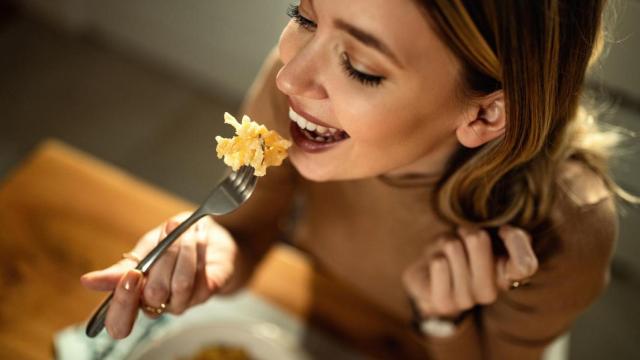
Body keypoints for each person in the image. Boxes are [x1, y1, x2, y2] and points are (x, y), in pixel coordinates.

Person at [81, 0, 628, 358]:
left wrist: (445, 321)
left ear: (485, 115)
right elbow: (247, 230)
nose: (290, 76)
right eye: (303, 15)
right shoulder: (298, 95)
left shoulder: (569, 225)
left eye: (362, 67)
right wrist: (214, 246)